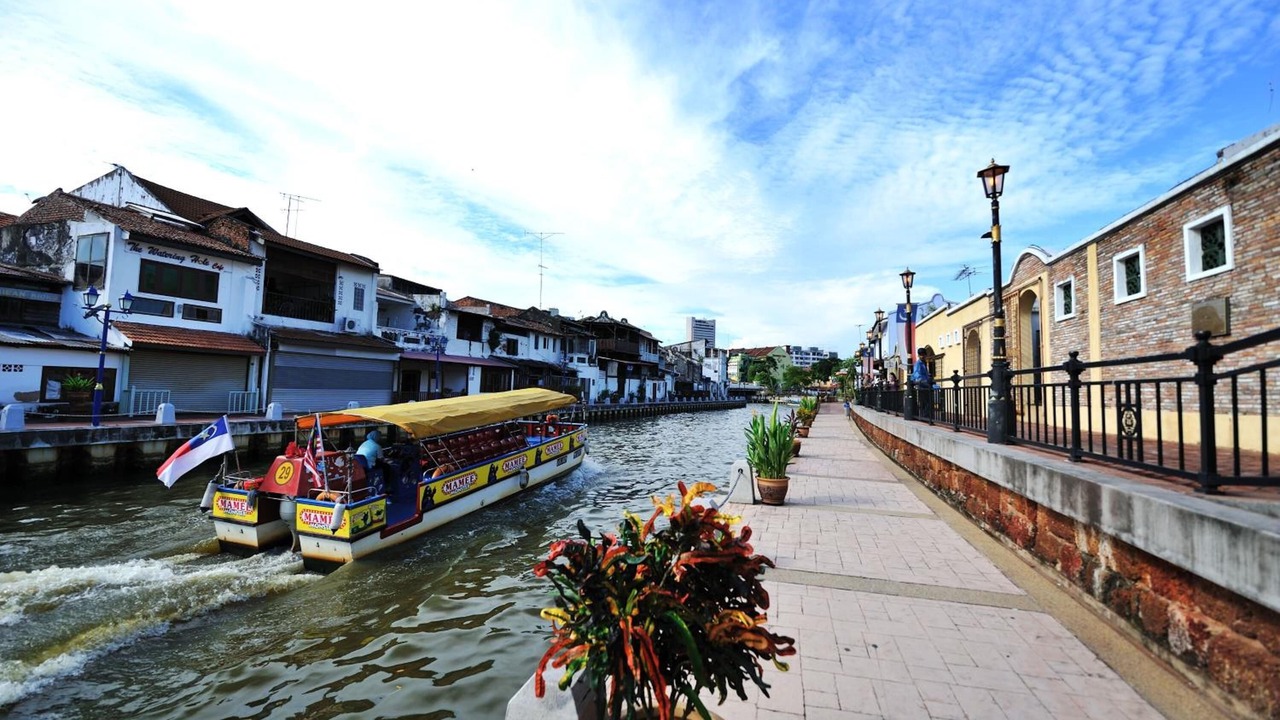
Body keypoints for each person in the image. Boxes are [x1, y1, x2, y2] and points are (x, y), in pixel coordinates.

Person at [357, 430, 385, 495]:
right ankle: (387, 486)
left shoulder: (364, 443)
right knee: (386, 467)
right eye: (379, 437)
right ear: (377, 437)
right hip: (369, 466)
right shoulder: (377, 446)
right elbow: (381, 459)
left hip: (359, 465)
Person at [910, 349, 933, 420]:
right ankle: (924, 417)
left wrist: (928, 378)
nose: (922, 356)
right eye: (921, 355)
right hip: (922, 384)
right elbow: (917, 374)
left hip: (926, 384)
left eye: (923, 355)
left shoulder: (924, 363)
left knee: (927, 401)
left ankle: (926, 416)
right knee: (924, 401)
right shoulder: (918, 364)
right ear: (919, 355)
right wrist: (922, 380)